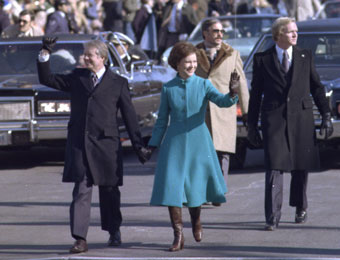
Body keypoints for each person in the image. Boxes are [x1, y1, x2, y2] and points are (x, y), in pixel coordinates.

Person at [37, 37, 149, 253]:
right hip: (80, 144)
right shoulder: (77, 78)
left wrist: (139, 146)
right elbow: (47, 79)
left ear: (102, 58)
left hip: (107, 146)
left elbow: (129, 117)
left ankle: (113, 230)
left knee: (109, 191)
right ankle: (80, 238)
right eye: (84, 54)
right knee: (81, 190)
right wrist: (44, 53)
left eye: (89, 54)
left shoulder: (118, 83)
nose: (84, 58)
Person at [145, 41, 239, 251]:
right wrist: (151, 146)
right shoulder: (168, 88)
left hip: (199, 141)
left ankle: (196, 220)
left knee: (195, 186)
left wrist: (232, 94)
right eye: (187, 62)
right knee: (173, 188)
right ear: (176, 64)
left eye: (194, 62)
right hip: (174, 142)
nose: (192, 65)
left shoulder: (204, 84)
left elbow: (221, 101)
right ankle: (178, 235)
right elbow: (161, 121)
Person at [247, 17, 333, 231]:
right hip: (273, 119)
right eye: (290, 31)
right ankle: (272, 215)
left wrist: (326, 115)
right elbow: (256, 94)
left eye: (296, 31)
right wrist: (251, 126)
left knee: (300, 165)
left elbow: (317, 87)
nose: (295, 34)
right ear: (278, 35)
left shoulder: (305, 56)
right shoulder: (262, 59)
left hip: (302, 117)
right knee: (274, 165)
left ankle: (300, 207)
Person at [195, 18, 249, 193]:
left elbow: (241, 83)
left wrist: (247, 111)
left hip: (223, 110)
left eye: (221, 32)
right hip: (200, 112)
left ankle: (219, 190)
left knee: (223, 153)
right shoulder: (193, 53)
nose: (220, 35)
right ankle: (205, 189)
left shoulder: (231, 53)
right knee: (203, 153)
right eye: (215, 31)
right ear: (205, 33)